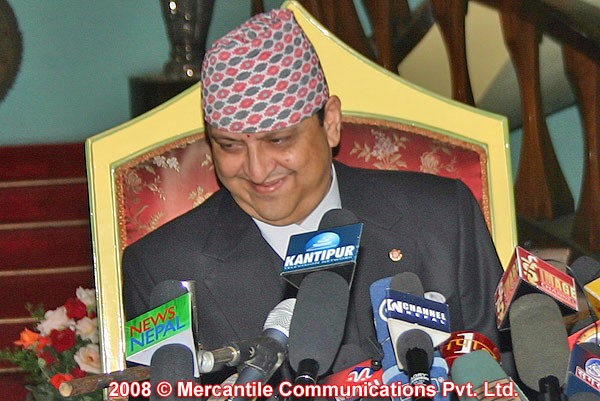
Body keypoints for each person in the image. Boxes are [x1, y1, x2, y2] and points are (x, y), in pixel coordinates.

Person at [123, 8, 504, 381]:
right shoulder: (163, 268)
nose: (257, 170)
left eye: (278, 140)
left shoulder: (443, 218)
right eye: (230, 146)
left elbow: (504, 373)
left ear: (331, 124)